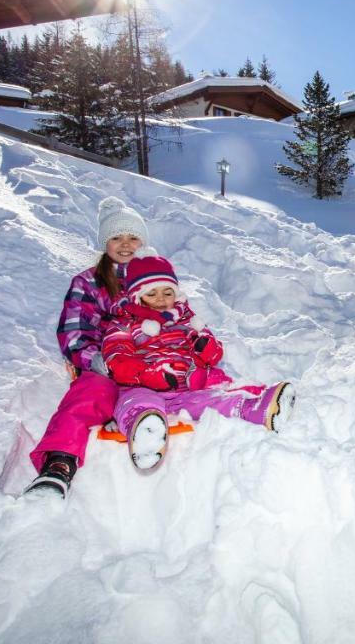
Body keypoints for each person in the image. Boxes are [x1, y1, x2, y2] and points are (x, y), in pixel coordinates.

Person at [97, 255, 293, 472]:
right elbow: (117, 360)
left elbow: (215, 355)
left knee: (212, 402)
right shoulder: (124, 324)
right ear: (137, 297)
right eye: (151, 293)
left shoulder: (188, 320)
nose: (161, 299)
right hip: (141, 386)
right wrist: (146, 375)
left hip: (185, 390)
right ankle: (145, 432)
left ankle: (253, 409)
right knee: (136, 402)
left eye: (167, 292)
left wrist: (204, 346)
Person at [25, 197, 150, 497]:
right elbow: (73, 331)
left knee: (164, 389)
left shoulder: (152, 281)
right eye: (116, 237)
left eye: (133, 237)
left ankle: (149, 429)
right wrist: (96, 360)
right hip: (104, 366)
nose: (125, 244)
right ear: (104, 242)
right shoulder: (88, 283)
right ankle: (58, 464)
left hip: (146, 365)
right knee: (88, 396)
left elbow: (171, 320)